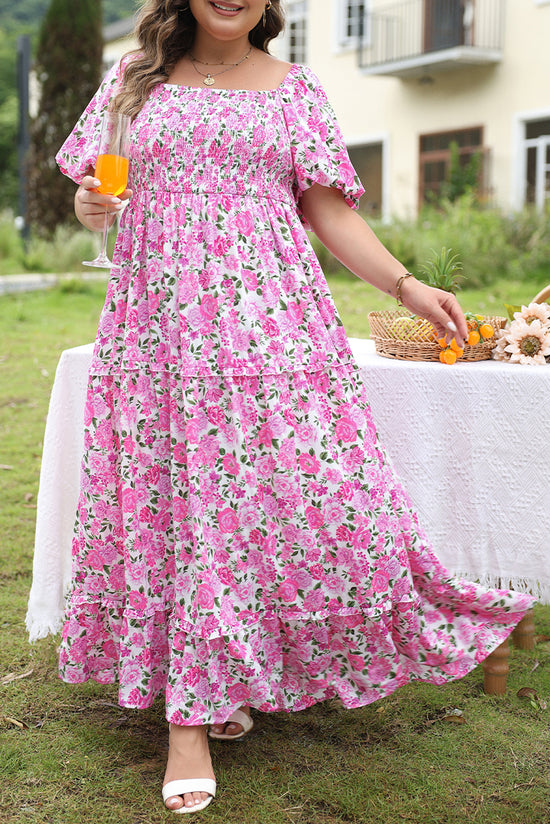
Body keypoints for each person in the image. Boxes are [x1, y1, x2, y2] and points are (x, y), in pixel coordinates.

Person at [56, 0, 535, 815]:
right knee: (182, 501)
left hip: (271, 326)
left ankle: (235, 666)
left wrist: (409, 288)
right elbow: (92, 191)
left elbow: (328, 211)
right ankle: (190, 720)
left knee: (281, 500)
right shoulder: (135, 81)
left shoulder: (297, 89)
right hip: (160, 328)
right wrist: (91, 209)